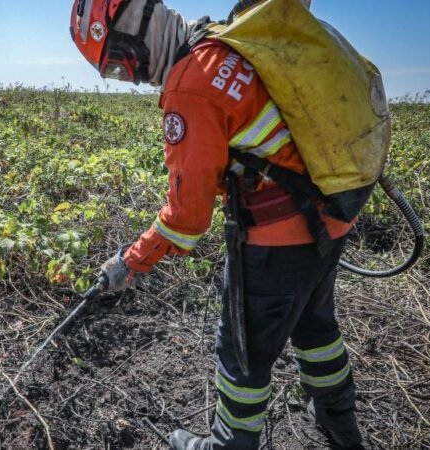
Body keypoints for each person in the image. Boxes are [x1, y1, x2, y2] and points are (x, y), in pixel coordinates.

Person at [70, 1, 365, 449]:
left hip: (277, 237)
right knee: (315, 324)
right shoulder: (225, 42)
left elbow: (187, 222)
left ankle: (229, 442)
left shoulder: (190, 86)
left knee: (241, 354)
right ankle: (339, 421)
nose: (131, 77)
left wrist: (129, 261)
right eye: (114, 73)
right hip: (333, 216)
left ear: (138, 29)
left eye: (120, 63)